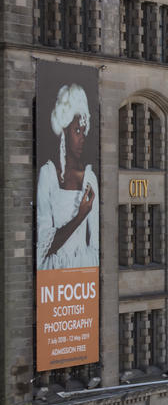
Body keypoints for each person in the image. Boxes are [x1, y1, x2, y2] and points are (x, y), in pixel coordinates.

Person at [36, 84, 99, 270]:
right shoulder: (47, 175)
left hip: (83, 268)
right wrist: (80, 216)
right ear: (64, 130)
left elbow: (95, 244)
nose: (82, 138)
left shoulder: (90, 178)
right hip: (53, 271)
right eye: (76, 131)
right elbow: (42, 249)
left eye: (83, 131)